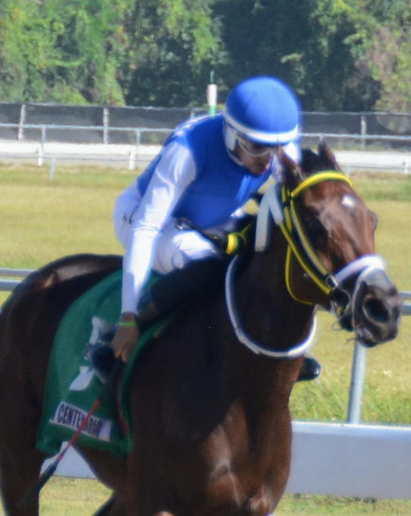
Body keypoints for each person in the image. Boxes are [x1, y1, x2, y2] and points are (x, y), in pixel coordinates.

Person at [104, 75, 319, 380]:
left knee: (267, 257)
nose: (267, 160)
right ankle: (118, 336)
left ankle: (275, 346)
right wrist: (128, 315)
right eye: (256, 148)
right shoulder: (188, 150)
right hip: (145, 219)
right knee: (208, 263)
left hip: (215, 219)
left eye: (275, 149)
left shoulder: (278, 149)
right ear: (232, 135)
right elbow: (146, 228)